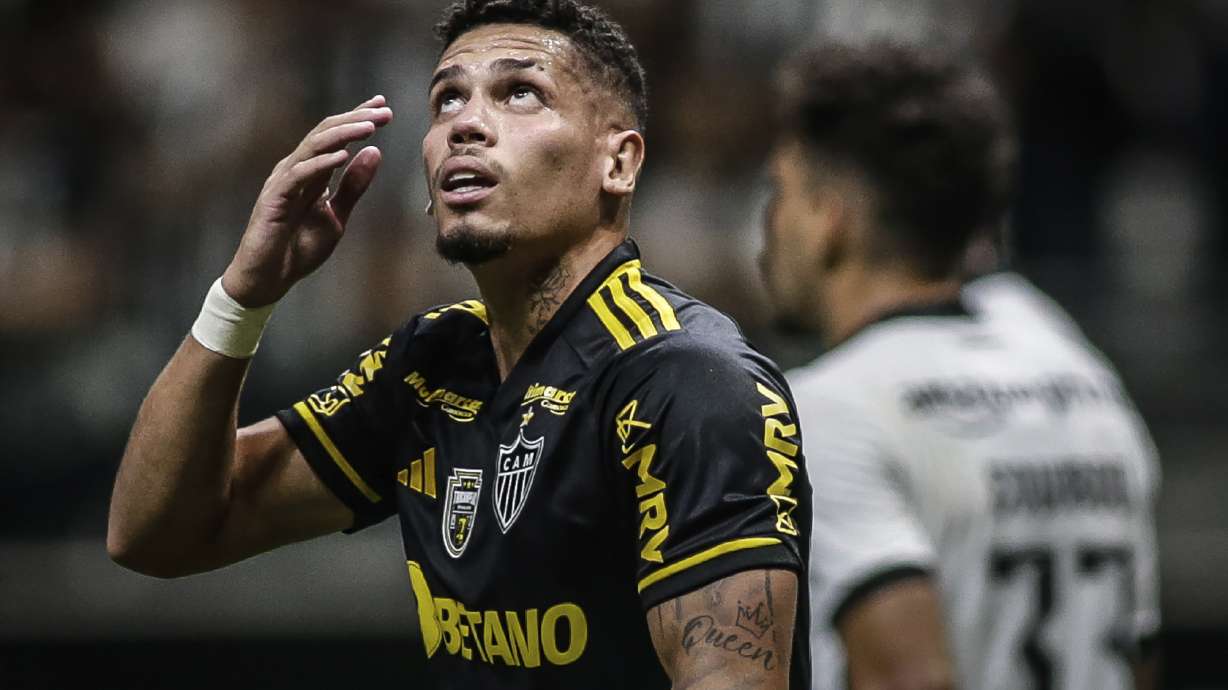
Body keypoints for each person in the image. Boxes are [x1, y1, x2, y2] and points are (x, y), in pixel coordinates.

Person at [106, 1, 812, 688]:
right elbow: (155, 533)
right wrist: (241, 297)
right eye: (447, 100)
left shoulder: (684, 380)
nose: (466, 124)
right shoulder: (431, 367)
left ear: (618, 163)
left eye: (521, 94)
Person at [759, 42, 1160, 690]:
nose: (769, 224)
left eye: (782, 192)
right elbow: (1138, 658)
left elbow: (909, 679)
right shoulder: (1086, 380)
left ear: (829, 219)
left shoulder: (828, 410)